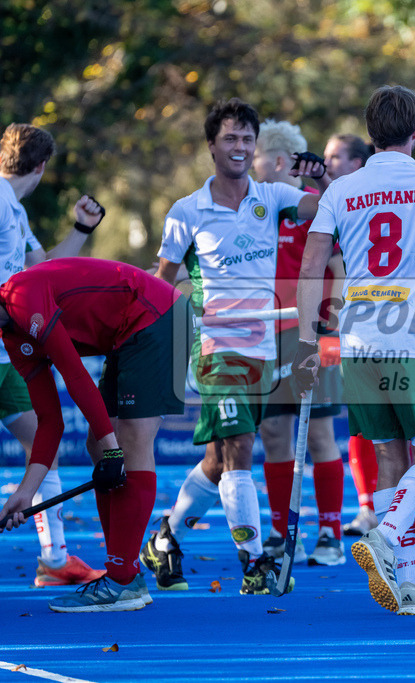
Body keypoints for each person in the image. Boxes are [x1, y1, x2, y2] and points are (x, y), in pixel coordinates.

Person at [293, 85, 415, 616]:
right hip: (412, 338)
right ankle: (388, 532)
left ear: (371, 132)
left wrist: (310, 342)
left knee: (390, 458)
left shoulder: (342, 190)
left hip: (356, 339)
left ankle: (411, 582)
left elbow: (311, 268)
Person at [141, 98, 328, 595]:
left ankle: (164, 538)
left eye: (247, 139)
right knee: (242, 449)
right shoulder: (186, 211)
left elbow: (322, 207)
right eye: (231, 139)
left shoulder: (273, 195)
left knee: (221, 457)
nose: (240, 147)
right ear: (212, 147)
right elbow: (163, 284)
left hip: (264, 349)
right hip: (216, 349)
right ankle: (254, 563)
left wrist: (320, 179)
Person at [0, 257, 191, 612]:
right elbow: (50, 421)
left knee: (130, 441)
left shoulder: (21, 295)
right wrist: (25, 493)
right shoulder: (13, 338)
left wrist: (114, 450)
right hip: (127, 332)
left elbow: (74, 375)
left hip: (158, 314)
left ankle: (121, 579)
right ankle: (123, 574)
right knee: (99, 446)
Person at [0, 122, 108, 588]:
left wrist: (82, 229)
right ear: (42, 167)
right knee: (42, 447)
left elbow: (43, 270)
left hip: (5, 361)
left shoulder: (14, 211)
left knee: (41, 451)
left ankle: (55, 558)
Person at [251, 119, 363, 566]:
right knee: (274, 433)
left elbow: (338, 264)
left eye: (257, 156)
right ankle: (281, 531)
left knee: (318, 434)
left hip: (311, 334)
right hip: (266, 336)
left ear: (278, 161)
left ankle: (331, 533)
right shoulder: (254, 207)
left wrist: (326, 327)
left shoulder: (314, 206)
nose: (251, 165)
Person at [321, 131, 381, 537]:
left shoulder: (361, 195)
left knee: (395, 421)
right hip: (355, 324)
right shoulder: (333, 198)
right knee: (360, 419)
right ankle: (368, 508)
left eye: (335, 158)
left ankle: (397, 506)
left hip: (391, 318)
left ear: (358, 163)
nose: (327, 165)